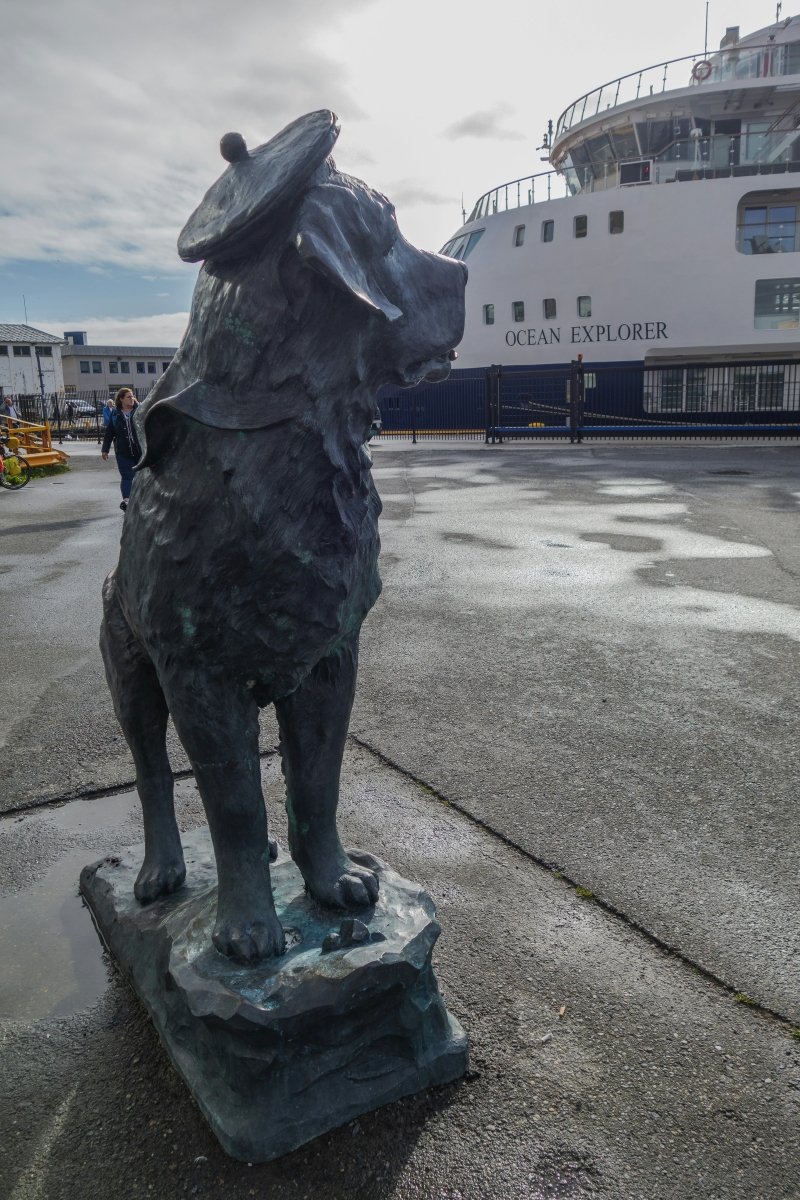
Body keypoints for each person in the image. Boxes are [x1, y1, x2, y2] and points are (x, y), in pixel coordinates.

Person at [101, 387, 141, 511]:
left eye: (133, 396)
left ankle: (144, 499)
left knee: (143, 475)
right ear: (121, 399)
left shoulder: (140, 410)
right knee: (127, 476)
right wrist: (105, 449)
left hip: (140, 451)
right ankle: (127, 501)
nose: (132, 399)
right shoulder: (116, 414)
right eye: (129, 397)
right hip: (123, 452)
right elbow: (109, 433)